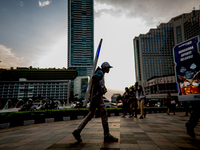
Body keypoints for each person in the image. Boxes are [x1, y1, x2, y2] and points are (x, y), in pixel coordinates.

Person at [72, 62, 118, 142]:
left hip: (94, 97)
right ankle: (107, 135)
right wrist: (100, 89)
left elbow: (97, 80)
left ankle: (77, 131)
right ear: (105, 67)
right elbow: (95, 78)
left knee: (90, 115)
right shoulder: (100, 72)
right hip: (97, 97)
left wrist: (103, 88)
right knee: (104, 114)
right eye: (108, 68)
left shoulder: (100, 73)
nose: (109, 69)